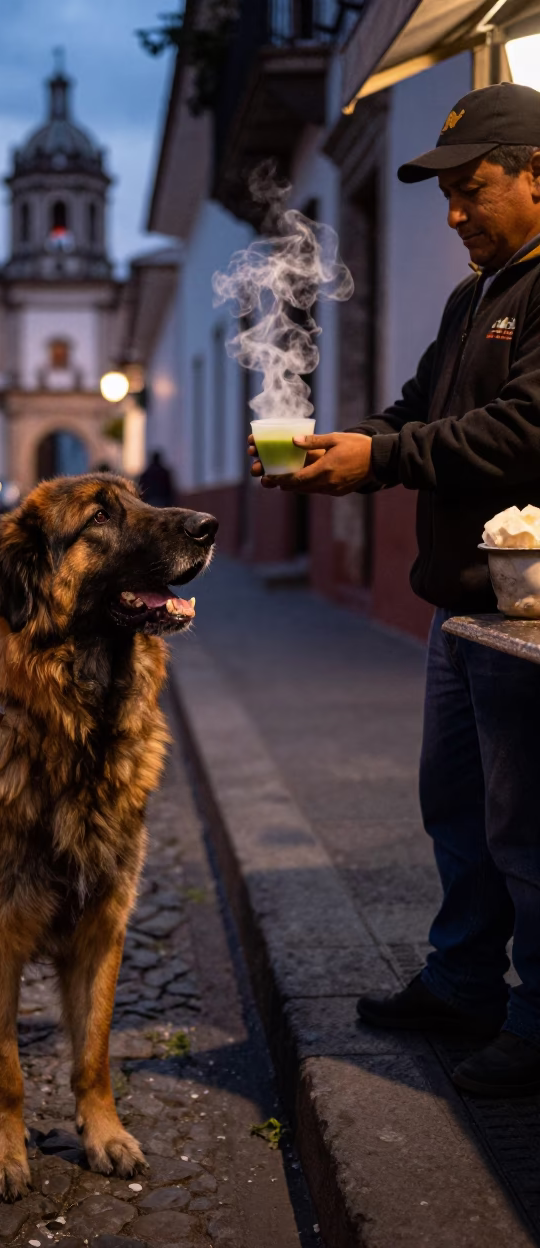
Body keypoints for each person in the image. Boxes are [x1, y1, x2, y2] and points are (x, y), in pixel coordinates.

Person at [248, 82, 540, 1096]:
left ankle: (536, 1021)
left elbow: (523, 431)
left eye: (474, 188)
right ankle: (463, 981)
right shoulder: (472, 297)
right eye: (445, 196)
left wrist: (378, 464)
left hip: (529, 613)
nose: (454, 213)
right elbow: (419, 408)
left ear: (539, 177)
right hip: (462, 607)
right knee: (453, 805)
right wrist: (350, 443)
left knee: (525, 825)